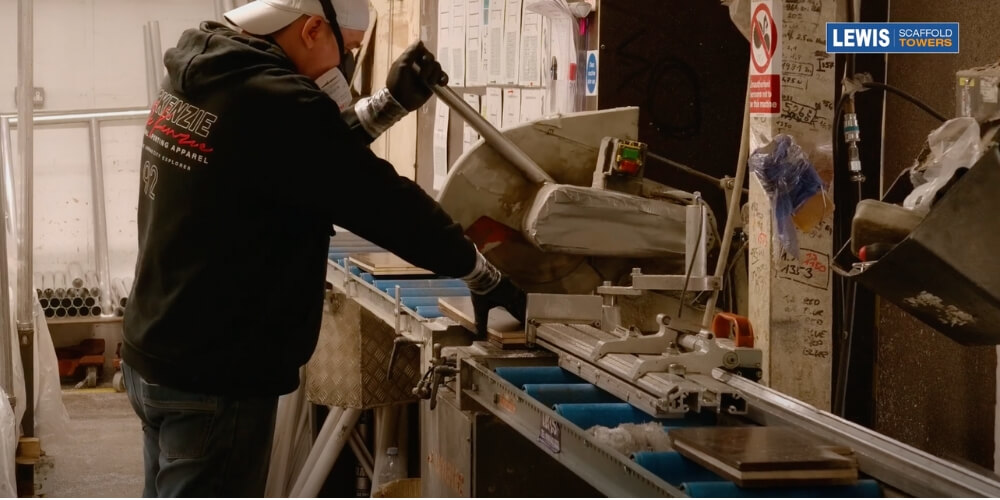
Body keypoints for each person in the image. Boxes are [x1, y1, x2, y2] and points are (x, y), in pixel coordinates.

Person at [120, 0, 527, 496]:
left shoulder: (204, 69)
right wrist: (480, 272)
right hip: (216, 373)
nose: (344, 66)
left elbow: (305, 160)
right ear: (313, 29)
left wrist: (389, 103)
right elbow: (380, 202)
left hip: (156, 349)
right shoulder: (278, 101)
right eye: (348, 50)